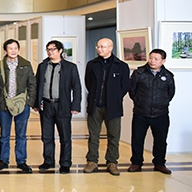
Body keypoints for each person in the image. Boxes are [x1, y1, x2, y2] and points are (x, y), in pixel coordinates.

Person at [84, 38, 130, 176]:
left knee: (114, 136)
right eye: (98, 47)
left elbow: (125, 86)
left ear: (111, 48)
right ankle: (92, 161)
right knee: (93, 136)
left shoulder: (121, 66)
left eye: (103, 47)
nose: (99, 49)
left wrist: (114, 98)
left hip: (113, 107)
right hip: (95, 106)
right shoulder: (92, 64)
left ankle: (112, 162)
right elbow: (88, 83)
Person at [34, 40, 82, 174]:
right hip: (46, 105)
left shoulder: (70, 67)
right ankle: (48, 161)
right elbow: (37, 85)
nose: (50, 52)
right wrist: (36, 103)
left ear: (60, 51)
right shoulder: (43, 66)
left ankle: (65, 163)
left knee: (65, 137)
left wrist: (75, 105)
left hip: (63, 105)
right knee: (47, 136)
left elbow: (77, 87)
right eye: (48, 49)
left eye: (53, 49)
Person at [0, 39, 36, 173]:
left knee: (21, 135)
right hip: (4, 105)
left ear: (18, 49)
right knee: (4, 135)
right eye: (10, 48)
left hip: (22, 105)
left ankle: (21, 161)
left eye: (15, 48)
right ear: (5, 50)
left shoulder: (26, 65)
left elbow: (32, 84)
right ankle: (3, 160)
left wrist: (29, 102)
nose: (13, 50)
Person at [127, 48, 175, 174]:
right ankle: (136, 163)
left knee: (160, 140)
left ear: (163, 61)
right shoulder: (139, 73)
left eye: (156, 59)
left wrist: (162, 103)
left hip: (161, 114)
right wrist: (139, 102)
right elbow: (132, 91)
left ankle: (159, 164)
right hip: (141, 113)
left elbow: (170, 93)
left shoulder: (168, 76)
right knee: (137, 139)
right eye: (151, 58)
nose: (152, 61)